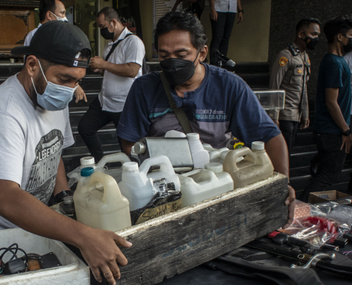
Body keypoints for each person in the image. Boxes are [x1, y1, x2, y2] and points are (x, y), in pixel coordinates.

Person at [0, 21, 132, 285]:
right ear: (32, 65)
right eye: (64, 79)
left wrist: (65, 199)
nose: (69, 89)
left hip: (39, 228)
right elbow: (4, 198)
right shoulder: (4, 113)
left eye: (77, 81)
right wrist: (83, 235)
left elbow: (52, 152)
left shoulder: (54, 96)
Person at [116, 12, 293, 204]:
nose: (172, 62)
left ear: (201, 53)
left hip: (215, 185)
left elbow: (269, 137)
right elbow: (129, 144)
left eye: (181, 55)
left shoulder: (229, 86)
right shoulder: (145, 88)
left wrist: (282, 184)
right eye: (164, 55)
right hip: (164, 189)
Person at [77, 7, 145, 161]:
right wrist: (99, 68)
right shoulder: (109, 45)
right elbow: (110, 70)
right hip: (105, 101)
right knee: (85, 127)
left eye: (102, 26)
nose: (101, 30)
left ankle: (132, 176)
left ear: (113, 23)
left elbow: (132, 70)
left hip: (124, 104)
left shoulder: (133, 42)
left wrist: (104, 64)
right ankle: (101, 161)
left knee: (127, 148)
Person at [299, 16, 352, 201]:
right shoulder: (334, 63)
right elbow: (331, 102)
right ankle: (298, 212)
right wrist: (346, 130)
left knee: (326, 174)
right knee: (328, 176)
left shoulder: (338, 62)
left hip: (332, 130)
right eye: (350, 35)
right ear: (340, 37)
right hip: (332, 132)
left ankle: (304, 212)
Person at [269, 18, 321, 154]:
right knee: (282, 154)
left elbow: (303, 88)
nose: (316, 38)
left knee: (289, 153)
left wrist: (305, 114)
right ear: (301, 34)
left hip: (296, 116)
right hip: (284, 116)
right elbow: (275, 87)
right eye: (314, 34)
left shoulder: (304, 57)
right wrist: (274, 117)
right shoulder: (285, 56)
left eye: (318, 35)